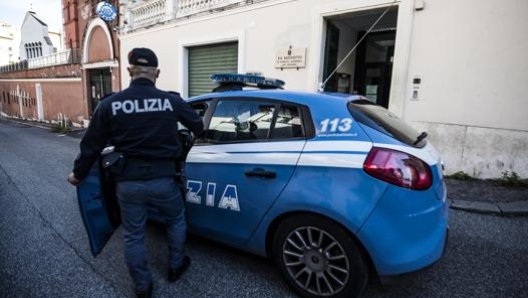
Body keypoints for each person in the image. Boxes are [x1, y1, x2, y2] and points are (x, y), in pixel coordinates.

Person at [67, 47, 204, 298]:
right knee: (176, 220)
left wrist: (77, 174)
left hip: (128, 184)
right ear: (157, 73)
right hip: (165, 181)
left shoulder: (110, 104)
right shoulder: (171, 101)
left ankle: (143, 287)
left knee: (133, 235)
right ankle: (175, 266)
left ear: (129, 71)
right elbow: (199, 126)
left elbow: (91, 146)